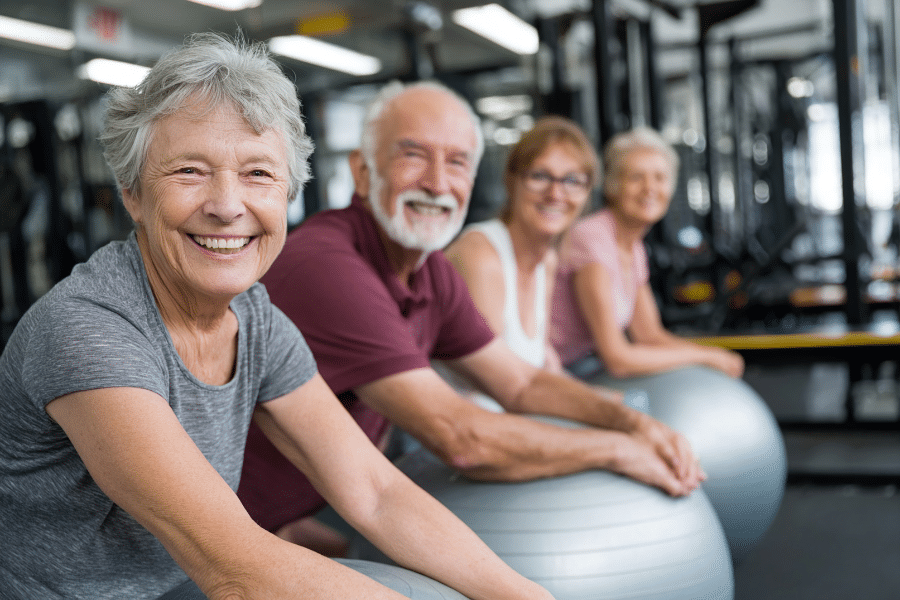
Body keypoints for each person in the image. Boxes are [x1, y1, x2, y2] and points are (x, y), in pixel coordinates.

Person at [0, 34, 552, 600]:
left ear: (288, 194)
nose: (227, 205)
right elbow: (239, 569)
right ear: (133, 194)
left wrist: (522, 594)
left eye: (258, 174)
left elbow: (374, 489)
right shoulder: (88, 330)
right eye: (190, 170)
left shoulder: (256, 323)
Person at [238, 82, 706, 552]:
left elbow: (519, 383)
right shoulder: (328, 266)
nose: (438, 183)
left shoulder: (430, 270)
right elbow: (460, 437)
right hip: (199, 555)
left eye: (457, 162)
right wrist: (616, 450)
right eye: (414, 155)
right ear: (362, 172)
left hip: (274, 523)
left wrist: (630, 422)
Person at [550, 126, 745, 379]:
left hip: (581, 368)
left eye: (660, 178)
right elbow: (617, 359)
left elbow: (649, 335)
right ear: (612, 186)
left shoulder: (634, 247)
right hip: (551, 372)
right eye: (636, 178)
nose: (649, 188)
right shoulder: (591, 239)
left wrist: (714, 355)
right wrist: (705, 356)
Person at [442, 116, 598, 412]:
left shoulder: (547, 261)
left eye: (572, 180)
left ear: (586, 194)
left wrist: (613, 404)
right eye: (540, 176)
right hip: (439, 444)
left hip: (506, 425)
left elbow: (545, 363)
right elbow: (500, 384)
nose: (555, 193)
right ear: (512, 181)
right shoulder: (481, 254)